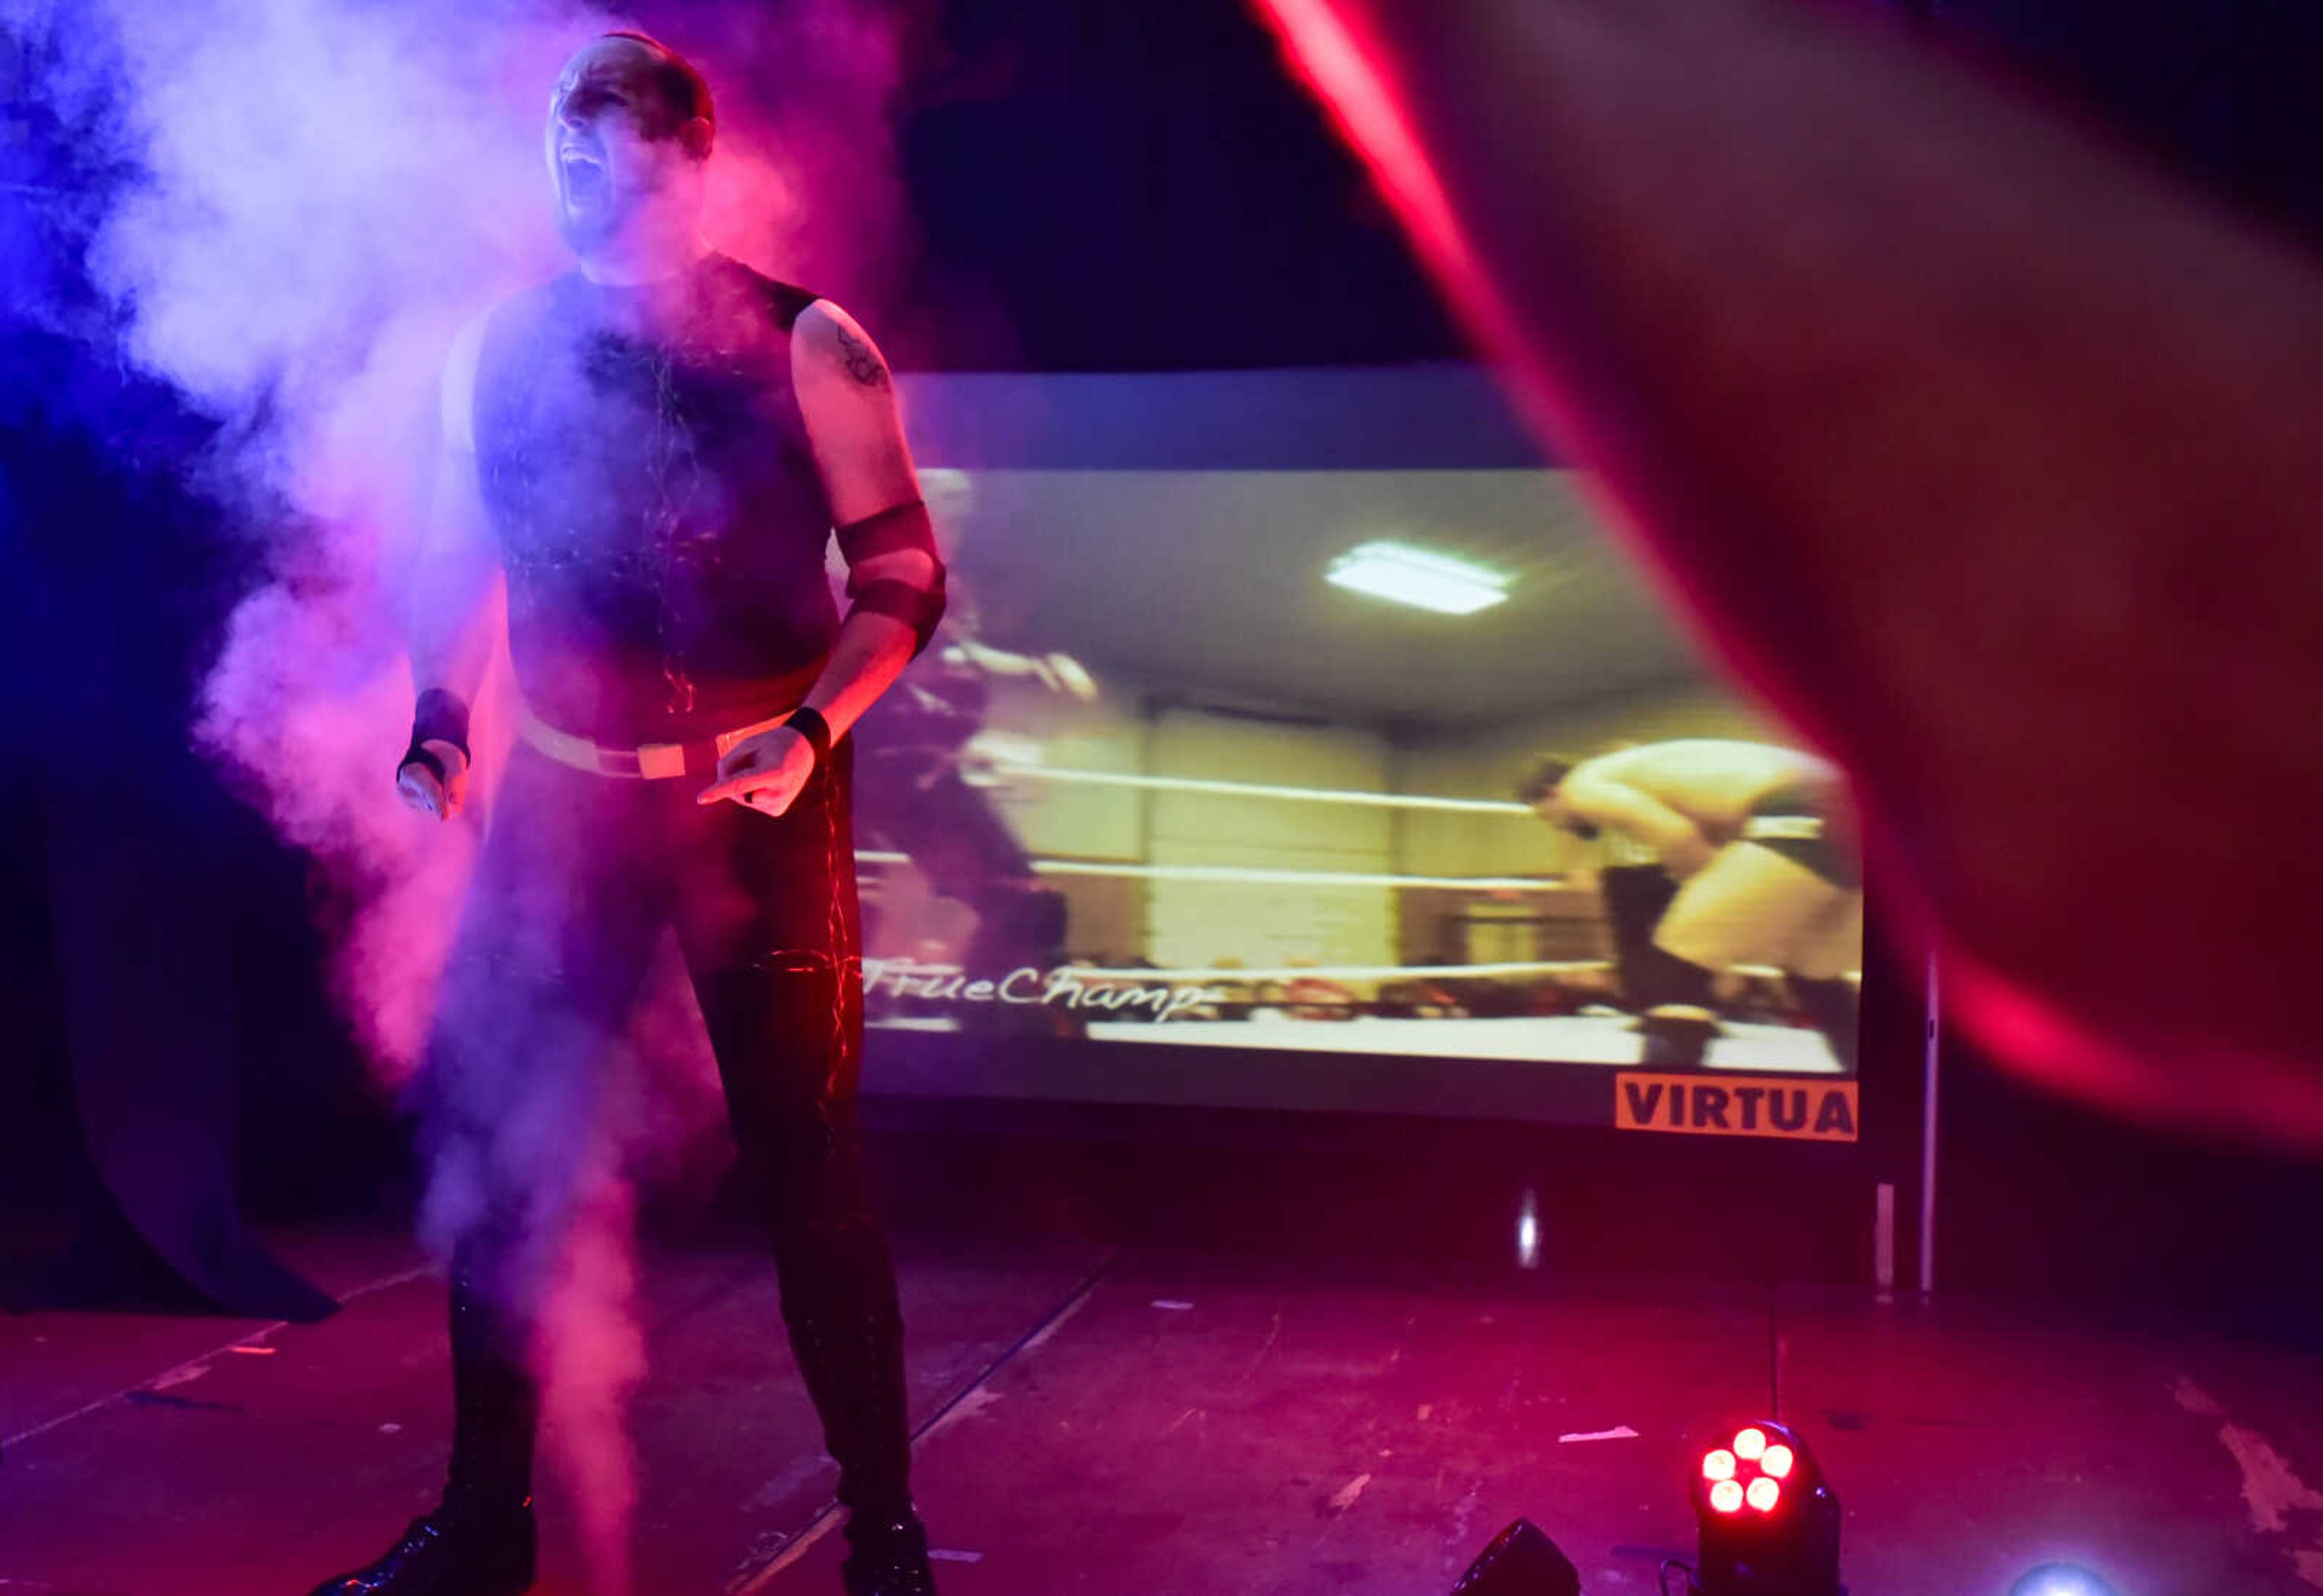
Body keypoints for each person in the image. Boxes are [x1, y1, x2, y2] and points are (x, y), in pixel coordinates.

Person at [1253, 0, 2323, 1145]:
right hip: (1806, 814)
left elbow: (1672, 852)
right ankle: (1800, 1127)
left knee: (1675, 949)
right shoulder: (1645, 765)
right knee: (1822, 984)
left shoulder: (1607, 788)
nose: (1571, 829)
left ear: (1555, 795)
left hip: (1798, 816)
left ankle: (1643, 1157)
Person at [305, 33, 944, 1596]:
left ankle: (887, 1539)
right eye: (564, 157)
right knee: (505, 1154)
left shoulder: (806, 345)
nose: (585, 185)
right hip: (568, 810)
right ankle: (481, 1527)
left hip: (760, 803)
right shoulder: (496, 354)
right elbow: (454, 562)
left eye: (618, 156)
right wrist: (442, 724)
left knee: (813, 1167)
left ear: (693, 159)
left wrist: (810, 731)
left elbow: (906, 577)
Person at [1524, 741, 1861, 1067]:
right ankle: (1880, 1098)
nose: (1557, 826)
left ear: (1553, 793)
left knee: (1676, 967)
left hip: (1801, 807)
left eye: (1549, 818)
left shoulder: (1583, 785)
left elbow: (1676, 836)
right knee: (1814, 971)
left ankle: (1661, 1112)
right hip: (1859, 802)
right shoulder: (1657, 777)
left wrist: (1714, 912)